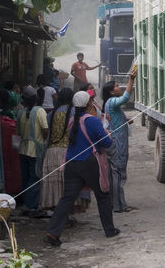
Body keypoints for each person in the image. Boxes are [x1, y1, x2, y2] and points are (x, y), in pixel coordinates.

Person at [45, 91, 118, 246]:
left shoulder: (72, 121)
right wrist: (108, 133)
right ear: (89, 103)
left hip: (71, 163)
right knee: (103, 196)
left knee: (67, 198)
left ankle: (53, 232)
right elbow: (107, 143)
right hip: (89, 162)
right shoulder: (92, 121)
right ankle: (109, 230)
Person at [101, 68, 137, 213]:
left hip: (115, 141)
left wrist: (125, 119)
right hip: (117, 143)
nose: (119, 87)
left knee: (114, 173)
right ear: (111, 91)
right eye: (116, 86)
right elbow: (125, 99)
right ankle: (119, 205)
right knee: (119, 173)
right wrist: (131, 79)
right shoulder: (113, 101)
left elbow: (114, 118)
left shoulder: (109, 103)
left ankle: (116, 203)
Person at [16, 85, 49, 216]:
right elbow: (46, 129)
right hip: (35, 150)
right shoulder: (40, 111)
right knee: (35, 177)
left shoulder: (20, 113)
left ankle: (26, 203)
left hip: (22, 149)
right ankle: (32, 206)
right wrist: (43, 140)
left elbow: (17, 133)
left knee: (25, 177)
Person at [40, 88, 74, 210]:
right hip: (66, 152)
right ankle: (65, 216)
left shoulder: (50, 114)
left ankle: (57, 214)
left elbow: (47, 136)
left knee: (55, 187)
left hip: (51, 152)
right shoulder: (73, 112)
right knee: (67, 185)